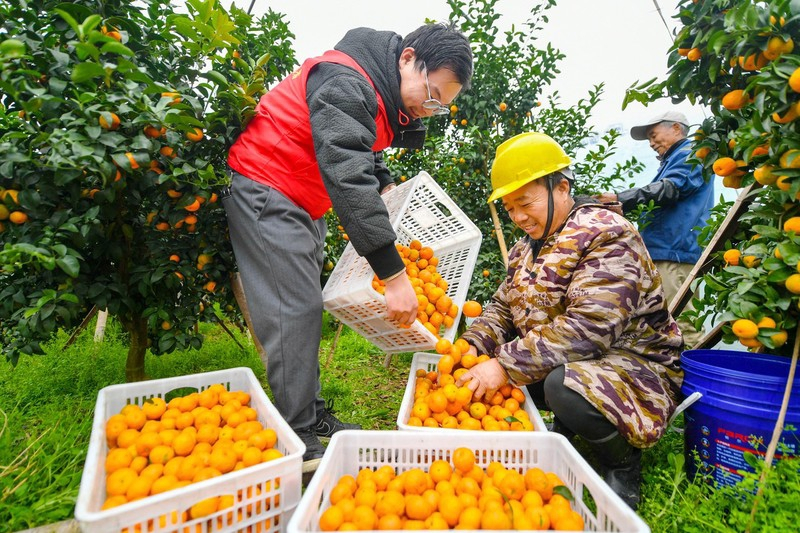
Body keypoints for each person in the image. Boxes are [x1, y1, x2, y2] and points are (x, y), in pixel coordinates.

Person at [223, 23, 473, 462]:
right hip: (269, 185)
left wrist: (385, 183)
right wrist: (393, 275)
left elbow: (362, 149)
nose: (430, 109)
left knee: (301, 311)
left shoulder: (376, 90)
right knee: (293, 311)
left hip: (302, 196)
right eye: (432, 95)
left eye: (441, 106)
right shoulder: (345, 80)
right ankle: (298, 439)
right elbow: (345, 170)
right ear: (408, 58)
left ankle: (308, 412)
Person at [454, 132, 683, 509]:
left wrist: (505, 364)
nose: (518, 217)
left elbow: (589, 329)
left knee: (560, 385)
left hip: (638, 367)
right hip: (576, 359)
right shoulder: (523, 249)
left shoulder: (607, 235)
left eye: (524, 202)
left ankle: (623, 463)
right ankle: (571, 424)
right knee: (525, 378)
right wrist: (474, 344)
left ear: (561, 188)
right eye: (509, 208)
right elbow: (502, 307)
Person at [594, 110, 714, 348]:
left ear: (676, 129)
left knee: (682, 322)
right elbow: (662, 200)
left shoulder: (690, 154)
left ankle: (697, 383)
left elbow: (669, 190)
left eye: (654, 135)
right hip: (666, 251)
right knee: (667, 325)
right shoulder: (674, 160)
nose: (651, 143)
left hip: (674, 253)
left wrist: (621, 197)